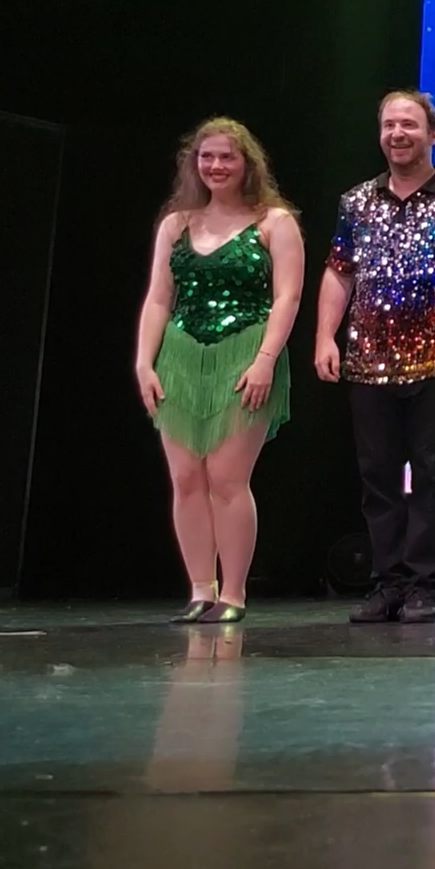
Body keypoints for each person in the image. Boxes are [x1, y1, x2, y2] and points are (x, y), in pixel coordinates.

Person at [317, 90, 435, 624]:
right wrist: (325, 336)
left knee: (433, 478)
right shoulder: (356, 201)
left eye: (409, 124)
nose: (398, 133)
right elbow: (339, 271)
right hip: (369, 361)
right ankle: (386, 582)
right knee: (378, 480)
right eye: (389, 124)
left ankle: (422, 584)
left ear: (432, 134)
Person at [135, 118, 303, 624]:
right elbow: (159, 298)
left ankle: (233, 594)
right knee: (187, 479)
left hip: (246, 351)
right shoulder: (176, 224)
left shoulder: (274, 222)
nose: (216, 166)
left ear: (247, 164)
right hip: (181, 356)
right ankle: (200, 590)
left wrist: (265, 360)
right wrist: (144, 362)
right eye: (206, 157)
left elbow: (288, 296)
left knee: (227, 479)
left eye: (227, 157)